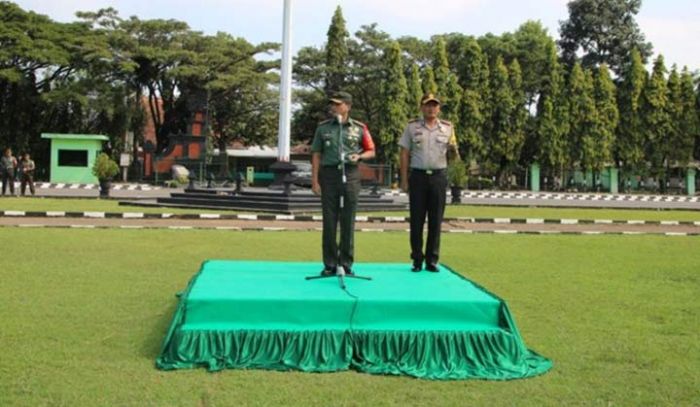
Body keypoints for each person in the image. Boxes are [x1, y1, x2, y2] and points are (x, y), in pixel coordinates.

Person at [311, 91, 376, 276]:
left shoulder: (360, 128)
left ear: (347, 106)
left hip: (351, 174)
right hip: (329, 175)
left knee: (348, 220)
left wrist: (360, 156)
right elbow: (316, 154)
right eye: (332, 104)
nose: (334, 107)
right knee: (329, 221)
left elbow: (371, 150)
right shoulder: (323, 128)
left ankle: (346, 263)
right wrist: (314, 180)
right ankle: (330, 264)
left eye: (338, 104)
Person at [399, 93, 459, 272]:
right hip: (418, 176)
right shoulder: (412, 127)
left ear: (439, 108)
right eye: (427, 105)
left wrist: (454, 151)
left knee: (436, 220)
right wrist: (403, 179)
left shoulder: (448, 128)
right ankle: (417, 259)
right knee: (416, 220)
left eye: (434, 105)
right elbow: (404, 153)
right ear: (421, 107)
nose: (431, 108)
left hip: (439, 177)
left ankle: (432, 260)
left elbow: (455, 157)